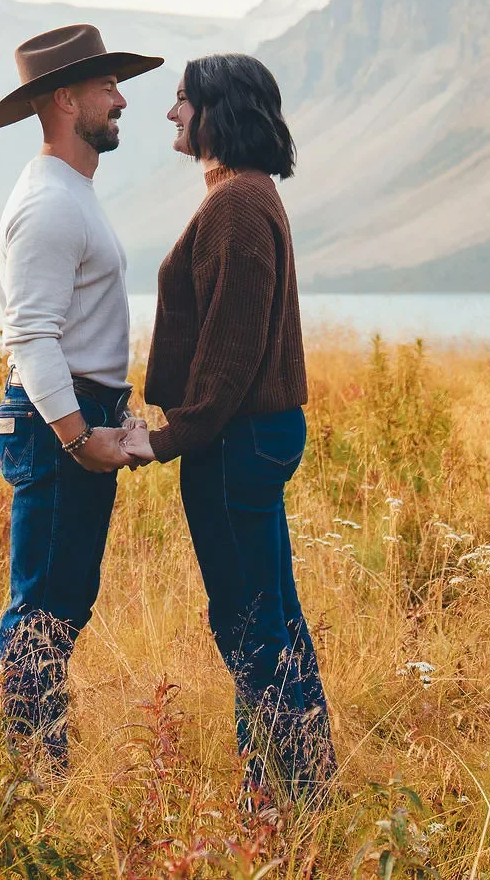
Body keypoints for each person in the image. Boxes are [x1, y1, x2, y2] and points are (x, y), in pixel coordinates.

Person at [124, 52, 335, 804]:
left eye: (182, 100)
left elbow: (233, 344)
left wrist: (170, 435)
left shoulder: (238, 205)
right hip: (254, 436)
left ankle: (276, 798)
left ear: (217, 109)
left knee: (248, 625)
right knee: (272, 615)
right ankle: (305, 783)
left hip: (234, 441)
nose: (171, 114)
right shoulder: (246, 194)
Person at [0, 23, 163, 770]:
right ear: (64, 99)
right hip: (58, 424)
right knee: (46, 606)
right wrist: (79, 435)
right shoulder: (52, 204)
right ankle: (24, 777)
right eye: (106, 86)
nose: (121, 99)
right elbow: (32, 339)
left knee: (61, 602)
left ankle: (33, 762)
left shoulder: (70, 193)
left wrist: (112, 413)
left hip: (77, 414)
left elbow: (74, 329)